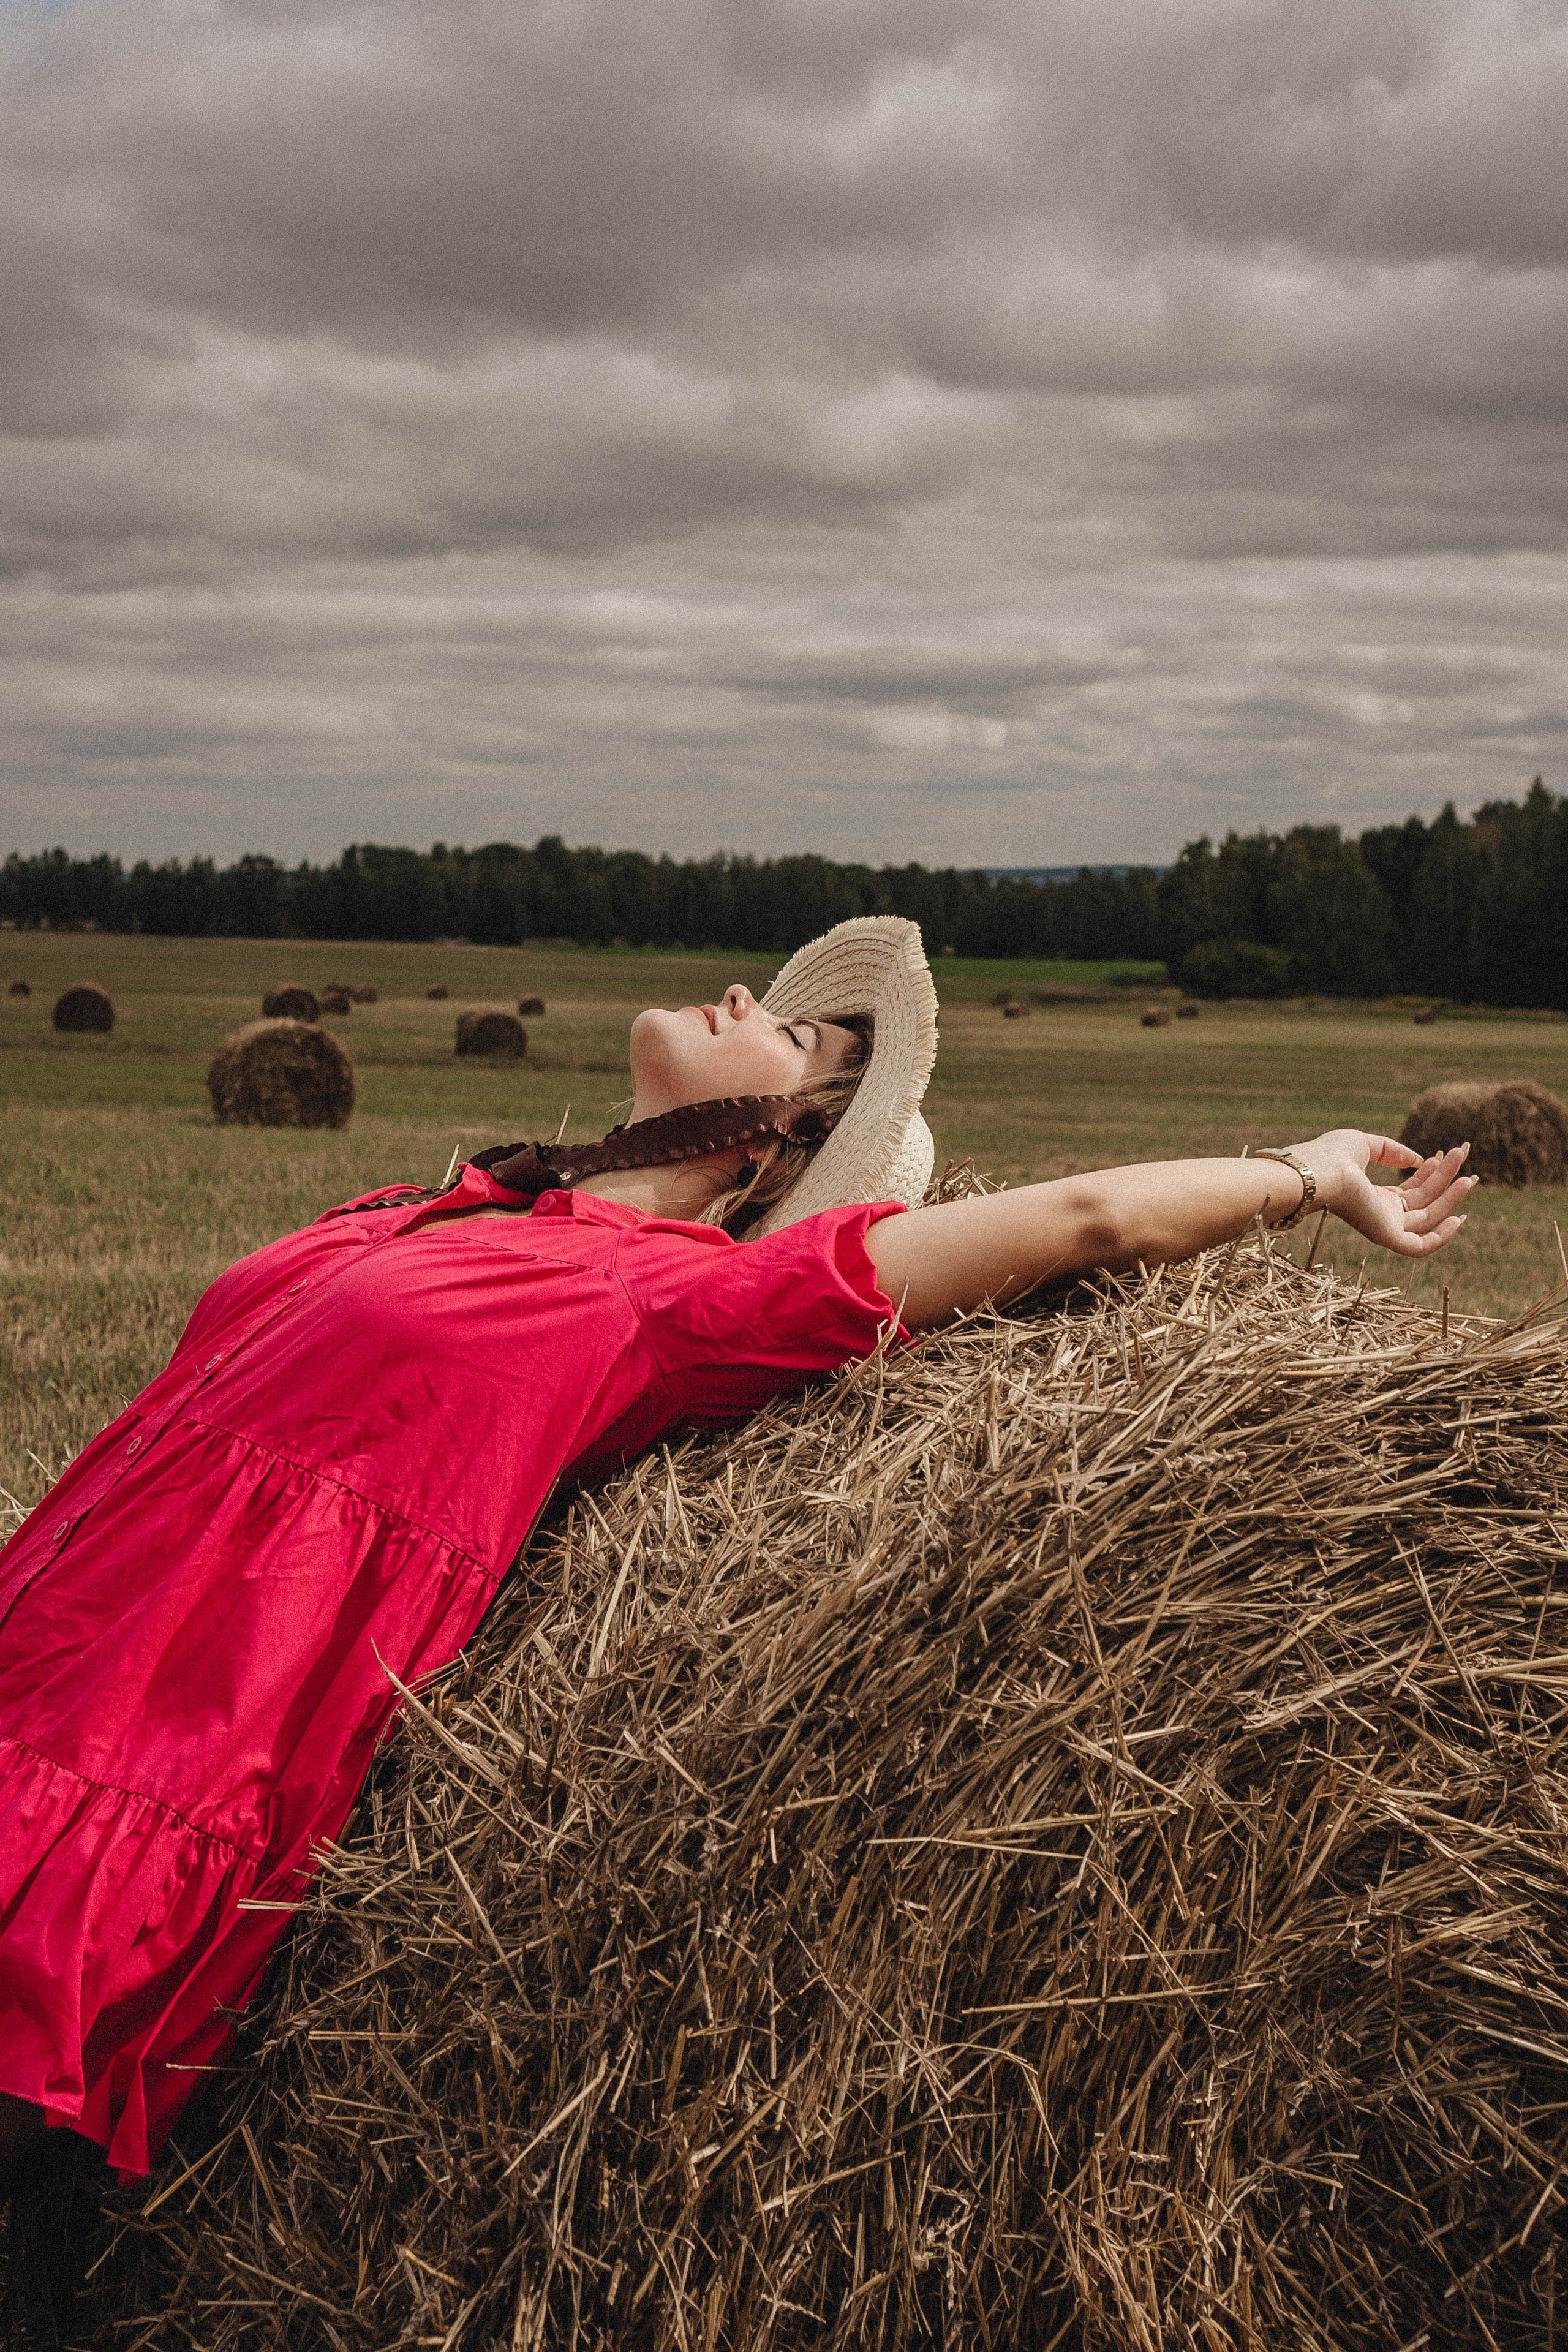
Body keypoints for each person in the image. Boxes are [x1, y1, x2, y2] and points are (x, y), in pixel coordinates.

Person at [0, 918, 1474, 2187]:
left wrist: (1312, 1169)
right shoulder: (455, 1202)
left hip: (157, 1733)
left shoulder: (683, 1300)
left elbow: (1084, 1220)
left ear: (782, 1143)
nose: (735, 998)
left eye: (782, 1029)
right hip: (44, 1637)